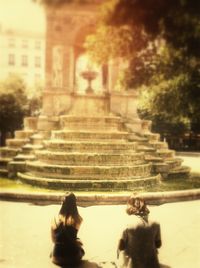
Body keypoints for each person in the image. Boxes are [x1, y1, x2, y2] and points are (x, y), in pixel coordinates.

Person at [117, 196, 162, 268]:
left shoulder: (126, 224)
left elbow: (121, 246)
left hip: (133, 265)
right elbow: (158, 244)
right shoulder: (155, 224)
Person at [50, 192, 85, 267]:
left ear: (62, 203)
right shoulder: (78, 219)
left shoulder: (54, 219)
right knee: (81, 249)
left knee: (54, 250)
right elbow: (72, 237)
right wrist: (77, 242)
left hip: (57, 258)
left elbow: (53, 240)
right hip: (73, 258)